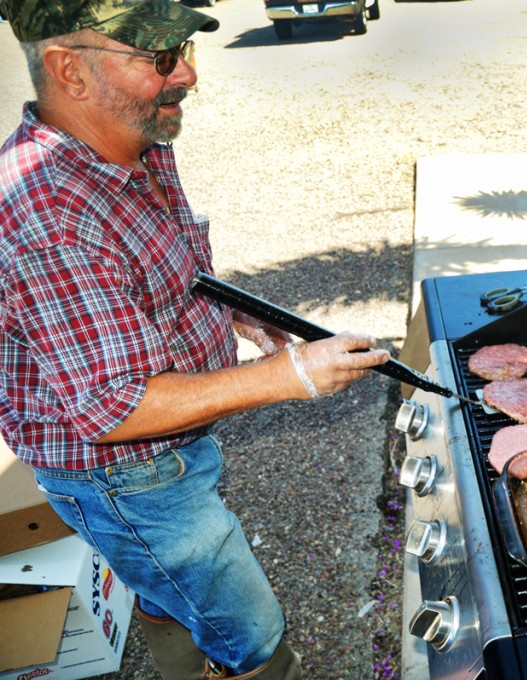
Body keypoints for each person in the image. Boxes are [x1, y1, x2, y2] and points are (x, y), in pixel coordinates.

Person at [0, 0, 390, 677]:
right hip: (125, 476)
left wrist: (241, 311)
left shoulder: (132, 138)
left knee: (173, 587)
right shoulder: (46, 215)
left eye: (184, 48)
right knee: (252, 630)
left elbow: (162, 267)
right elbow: (115, 408)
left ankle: (178, 634)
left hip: (169, 452)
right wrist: (291, 375)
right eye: (159, 58)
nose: (188, 74)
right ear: (69, 71)